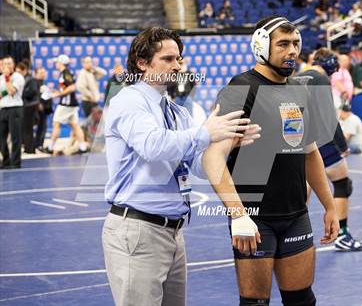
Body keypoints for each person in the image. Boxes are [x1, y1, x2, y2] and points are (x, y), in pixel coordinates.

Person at [102, 26, 260, 306]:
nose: (177, 65)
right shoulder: (128, 101)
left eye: (179, 59)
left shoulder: (176, 111)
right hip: (138, 231)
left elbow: (196, 167)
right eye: (168, 59)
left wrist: (226, 146)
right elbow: (153, 146)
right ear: (142, 62)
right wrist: (205, 134)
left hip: (172, 232)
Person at [203, 16, 339, 306]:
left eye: (295, 44)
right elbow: (214, 156)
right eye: (283, 44)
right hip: (255, 217)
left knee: (302, 300)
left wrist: (329, 205)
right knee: (255, 304)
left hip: (296, 215)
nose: (292, 50)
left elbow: (310, 152)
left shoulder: (299, 89)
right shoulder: (241, 87)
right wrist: (238, 214)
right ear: (262, 46)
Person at [299, 47, 362, 252]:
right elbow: (329, 116)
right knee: (342, 184)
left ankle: (292, 234)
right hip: (321, 140)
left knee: (303, 189)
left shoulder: (298, 77)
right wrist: (342, 144)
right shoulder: (319, 78)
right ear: (329, 64)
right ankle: (342, 235)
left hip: (299, 139)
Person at [43, 54, 87, 154]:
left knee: (56, 124)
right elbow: (67, 88)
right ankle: (83, 147)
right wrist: (56, 92)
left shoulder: (65, 73)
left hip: (66, 104)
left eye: (57, 62)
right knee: (75, 125)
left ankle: (50, 147)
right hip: (71, 104)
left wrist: (57, 95)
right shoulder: (66, 73)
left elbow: (72, 87)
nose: (56, 64)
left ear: (61, 63)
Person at [0, 55, 25, 169]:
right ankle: (6, 160)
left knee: (15, 137)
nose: (7, 66)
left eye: (10, 63)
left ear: (13, 65)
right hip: (3, 109)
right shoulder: (1, 78)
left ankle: (15, 163)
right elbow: (2, 94)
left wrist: (6, 77)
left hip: (15, 108)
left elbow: (11, 91)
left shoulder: (18, 77)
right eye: (5, 64)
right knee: (1, 136)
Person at [17, 62, 40, 154]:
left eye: (19, 71)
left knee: (28, 128)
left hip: (30, 106)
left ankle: (30, 148)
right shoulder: (21, 79)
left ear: (25, 70)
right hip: (25, 105)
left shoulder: (31, 80)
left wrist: (21, 93)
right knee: (25, 128)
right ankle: (27, 147)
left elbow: (32, 92)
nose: (18, 74)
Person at [34, 67, 52, 150]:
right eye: (41, 73)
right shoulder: (34, 83)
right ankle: (36, 144)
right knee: (39, 127)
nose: (43, 74)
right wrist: (38, 104)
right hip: (36, 109)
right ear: (36, 74)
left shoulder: (43, 83)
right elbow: (34, 95)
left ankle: (39, 144)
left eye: (44, 72)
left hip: (45, 109)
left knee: (43, 127)